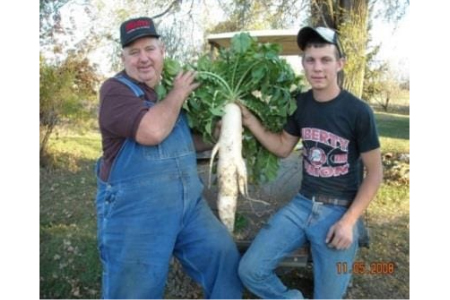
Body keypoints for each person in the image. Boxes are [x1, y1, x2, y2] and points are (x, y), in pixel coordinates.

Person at [95, 17, 242, 299]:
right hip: (137, 212)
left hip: (188, 207)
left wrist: (219, 133)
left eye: (149, 49)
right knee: (135, 291)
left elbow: (181, 137)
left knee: (223, 258)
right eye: (134, 52)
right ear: (122, 57)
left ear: (162, 51)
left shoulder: (164, 92)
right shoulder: (116, 91)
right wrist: (178, 93)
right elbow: (151, 131)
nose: (143, 59)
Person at [238, 26, 383, 299]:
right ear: (303, 63)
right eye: (310, 60)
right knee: (250, 270)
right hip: (302, 204)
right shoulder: (300, 104)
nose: (317, 68)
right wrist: (250, 122)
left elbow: (375, 173)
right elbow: (282, 147)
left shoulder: (358, 112)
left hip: (339, 211)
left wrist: (349, 222)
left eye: (326, 60)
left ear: (340, 64)